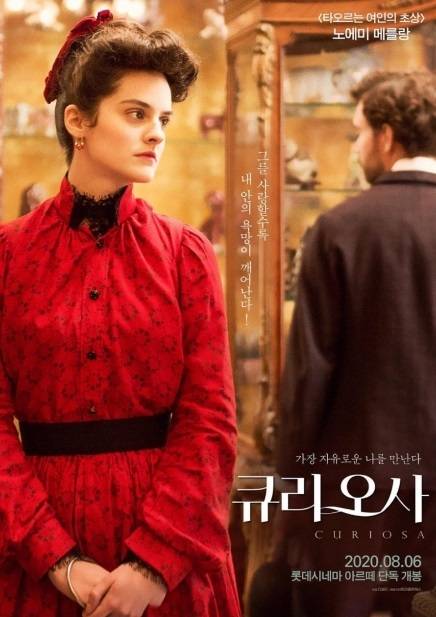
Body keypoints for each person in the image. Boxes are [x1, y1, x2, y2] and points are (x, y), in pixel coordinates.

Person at [0, 11, 240, 617]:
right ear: (77, 121)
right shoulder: (7, 257)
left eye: (163, 119)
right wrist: (58, 561)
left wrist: (153, 566)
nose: (156, 134)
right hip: (36, 544)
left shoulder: (186, 255)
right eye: (136, 114)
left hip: (167, 545)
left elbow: (210, 422)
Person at [276, 70, 436, 617]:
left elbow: (308, 377)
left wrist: (291, 490)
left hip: (353, 493)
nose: (355, 146)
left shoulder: (339, 229)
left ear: (387, 137)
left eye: (358, 132)